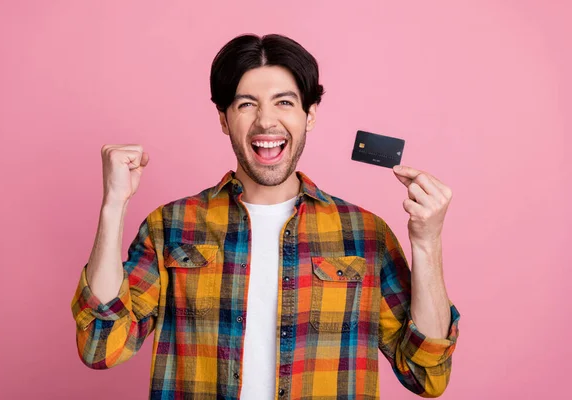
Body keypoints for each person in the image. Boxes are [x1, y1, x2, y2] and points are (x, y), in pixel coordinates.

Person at [70, 33, 461, 399]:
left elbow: (426, 373)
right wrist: (113, 205)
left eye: (284, 102)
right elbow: (100, 345)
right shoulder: (170, 226)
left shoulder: (366, 235)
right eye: (246, 104)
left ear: (310, 115)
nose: (266, 121)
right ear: (223, 119)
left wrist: (427, 244)